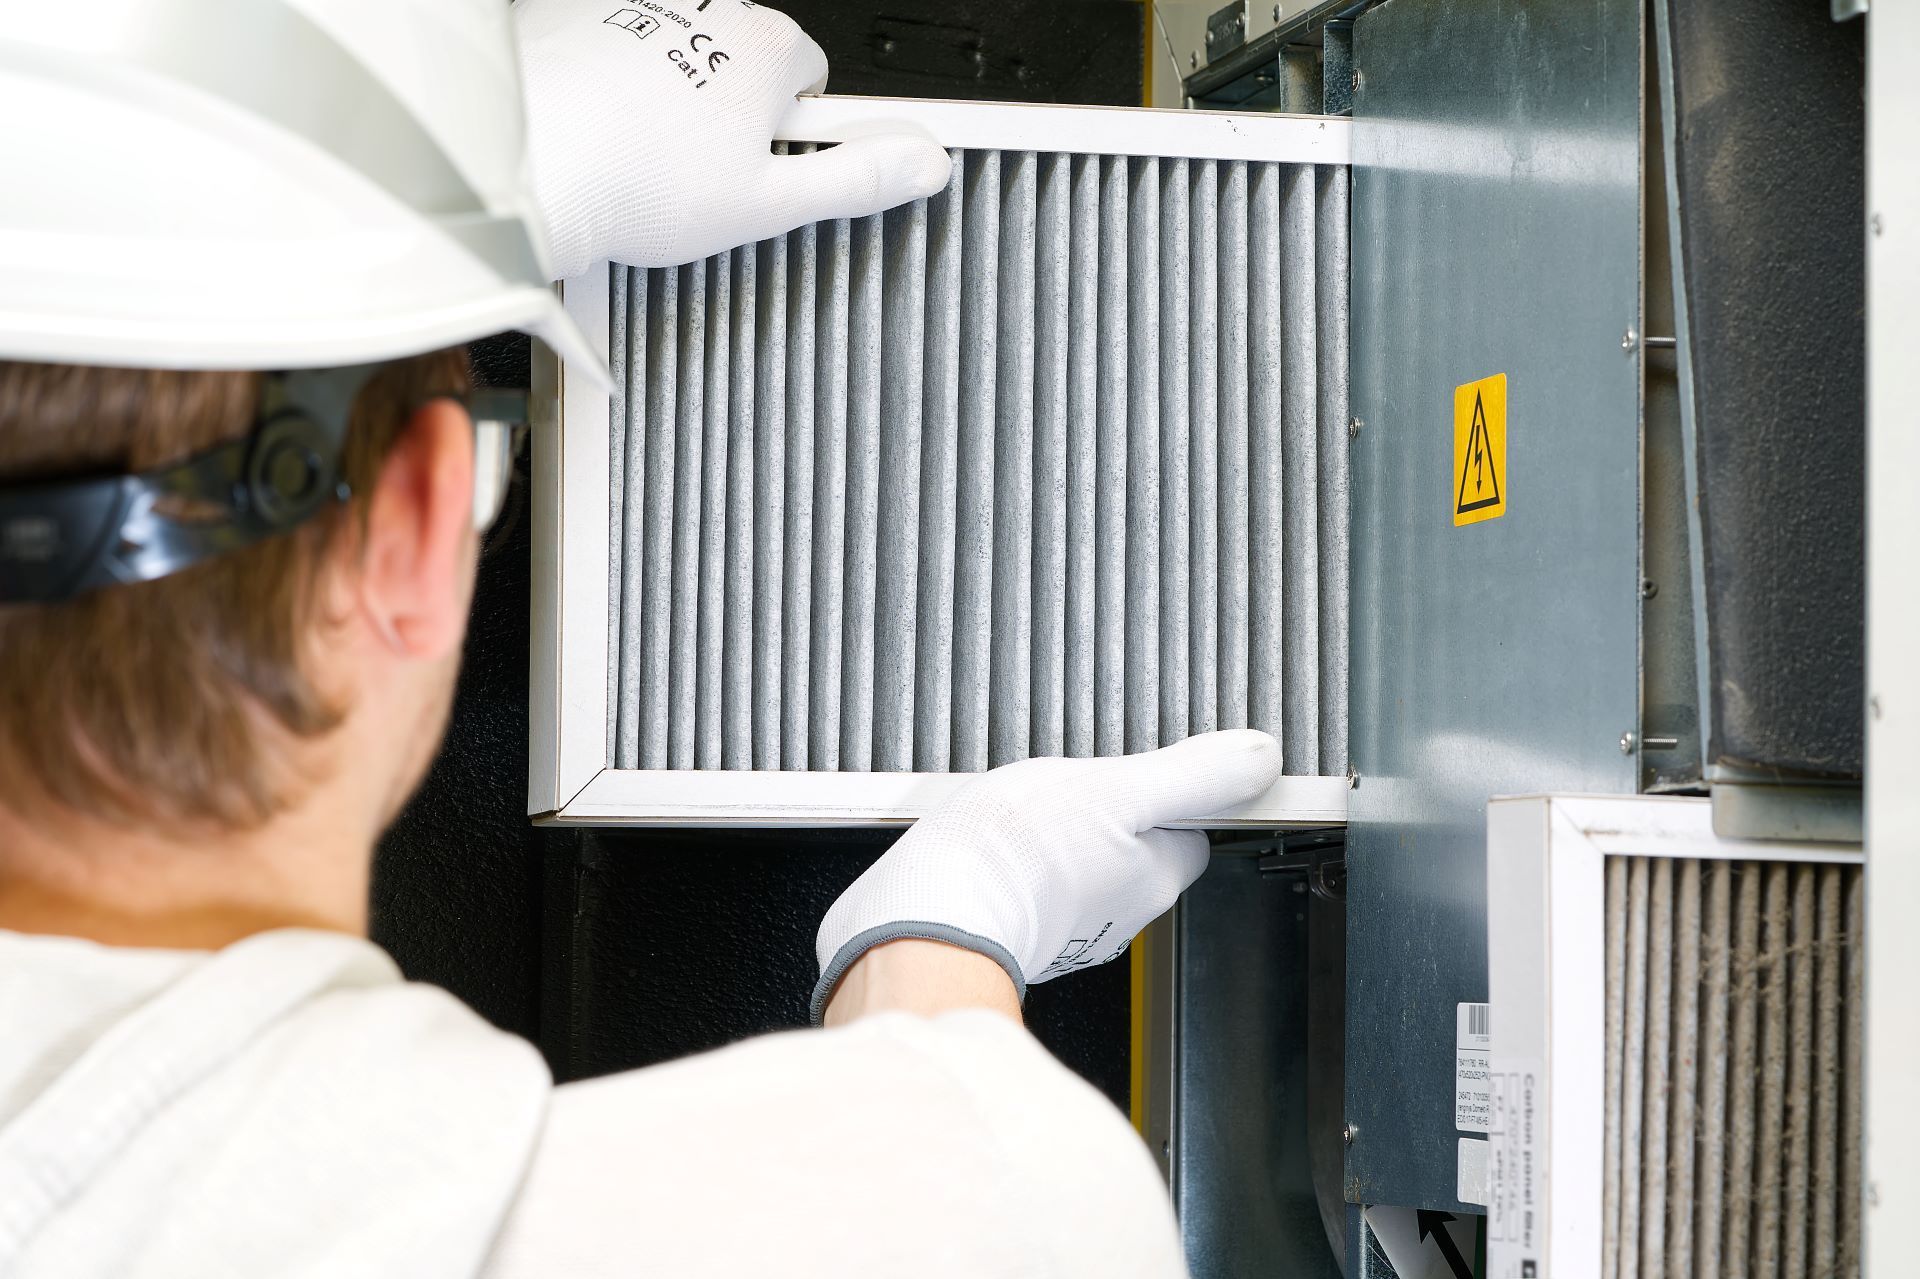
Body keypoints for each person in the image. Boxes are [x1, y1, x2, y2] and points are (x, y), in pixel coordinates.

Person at [0, 2, 1284, 1275]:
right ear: (413, 526)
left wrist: (940, 958)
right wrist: (952, 932)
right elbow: (989, 1198)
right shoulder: (978, 1202)